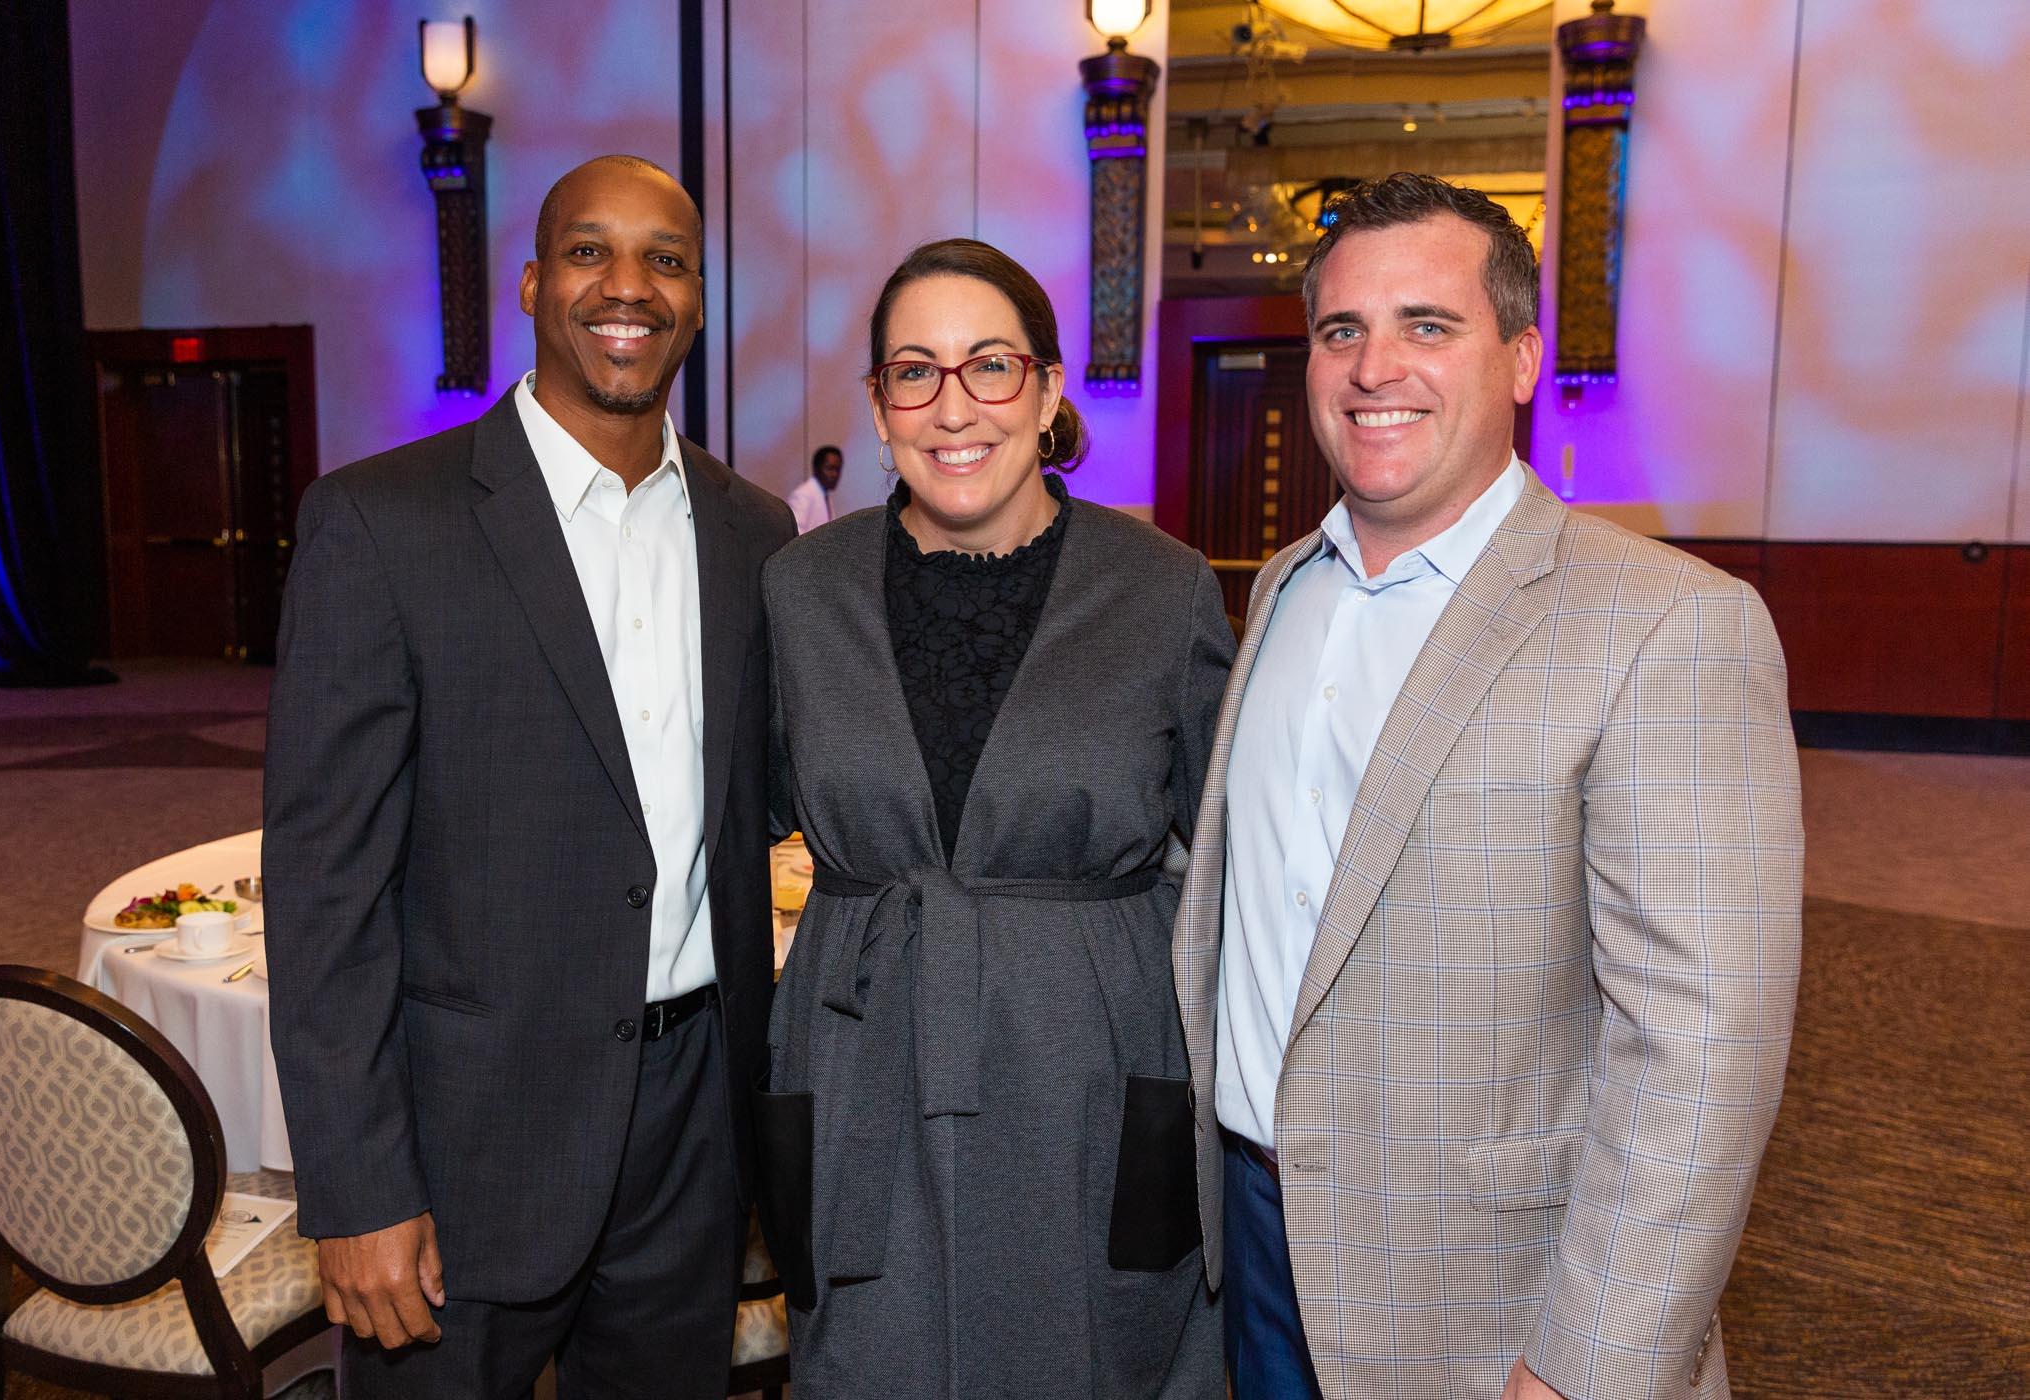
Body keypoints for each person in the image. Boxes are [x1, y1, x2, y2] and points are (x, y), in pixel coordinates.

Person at [1173, 174, 1804, 1400]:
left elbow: (1702, 1050)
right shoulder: (1284, 587)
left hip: (1489, 1303)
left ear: (1520, 358)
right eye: (1343, 329)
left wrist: (1587, 1362)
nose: (1375, 367)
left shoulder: (1667, 623)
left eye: (1428, 324)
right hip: (1257, 1238)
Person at [263, 155, 794, 1398]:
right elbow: (325, 888)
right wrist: (359, 1184)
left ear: (699, 299)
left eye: (666, 259)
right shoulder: (381, 522)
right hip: (465, 1143)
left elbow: (756, 798)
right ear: (531, 280)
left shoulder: (756, 532)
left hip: (691, 1133)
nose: (629, 286)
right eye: (589, 250)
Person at [756, 238, 1233, 1397]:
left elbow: (1236, 867)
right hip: (862, 1058)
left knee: (1088, 1357)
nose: (953, 404)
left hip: (1089, 1072)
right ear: (880, 407)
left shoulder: (1163, 588)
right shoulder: (800, 590)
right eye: (914, 371)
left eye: (991, 365)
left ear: (1049, 389)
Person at [786, 443, 843, 532]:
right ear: (816, 468)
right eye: (830, 468)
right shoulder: (803, 495)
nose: (835, 474)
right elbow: (795, 533)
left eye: (838, 469)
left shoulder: (825, 495)